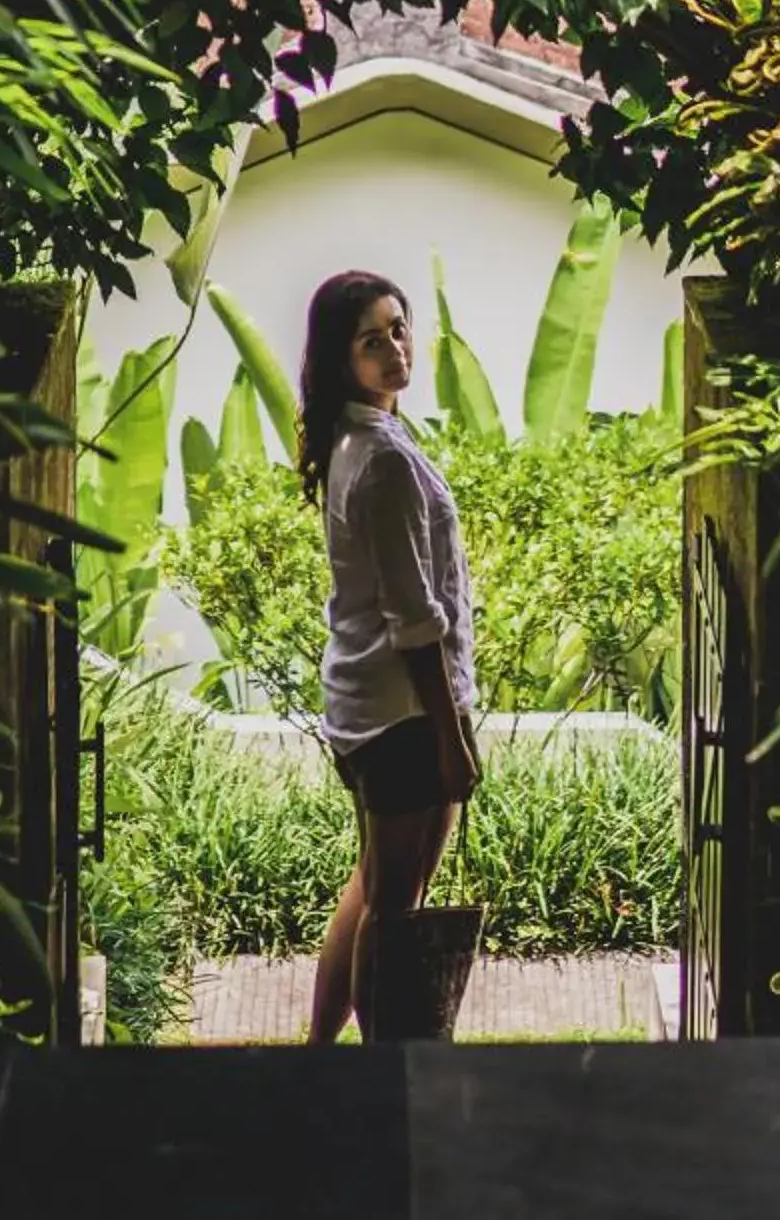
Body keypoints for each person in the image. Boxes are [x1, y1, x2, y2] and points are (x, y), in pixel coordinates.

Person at [299, 269, 479, 1046]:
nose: (396, 348)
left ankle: (316, 1059)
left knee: (372, 890)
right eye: (373, 340)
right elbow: (415, 621)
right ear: (345, 359)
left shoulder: (355, 439)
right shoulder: (383, 461)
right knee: (395, 911)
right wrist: (451, 736)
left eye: (399, 328)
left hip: (366, 707)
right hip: (405, 715)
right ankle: (379, 1073)